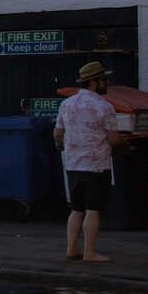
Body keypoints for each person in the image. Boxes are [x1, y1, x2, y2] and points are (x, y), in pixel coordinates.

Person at [55, 60, 126, 263]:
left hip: (72, 165)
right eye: (104, 80)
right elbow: (113, 139)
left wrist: (64, 147)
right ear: (94, 82)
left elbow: (58, 134)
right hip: (96, 165)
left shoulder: (66, 104)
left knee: (76, 209)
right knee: (93, 209)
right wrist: (124, 146)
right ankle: (90, 252)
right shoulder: (104, 107)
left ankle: (71, 248)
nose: (107, 83)